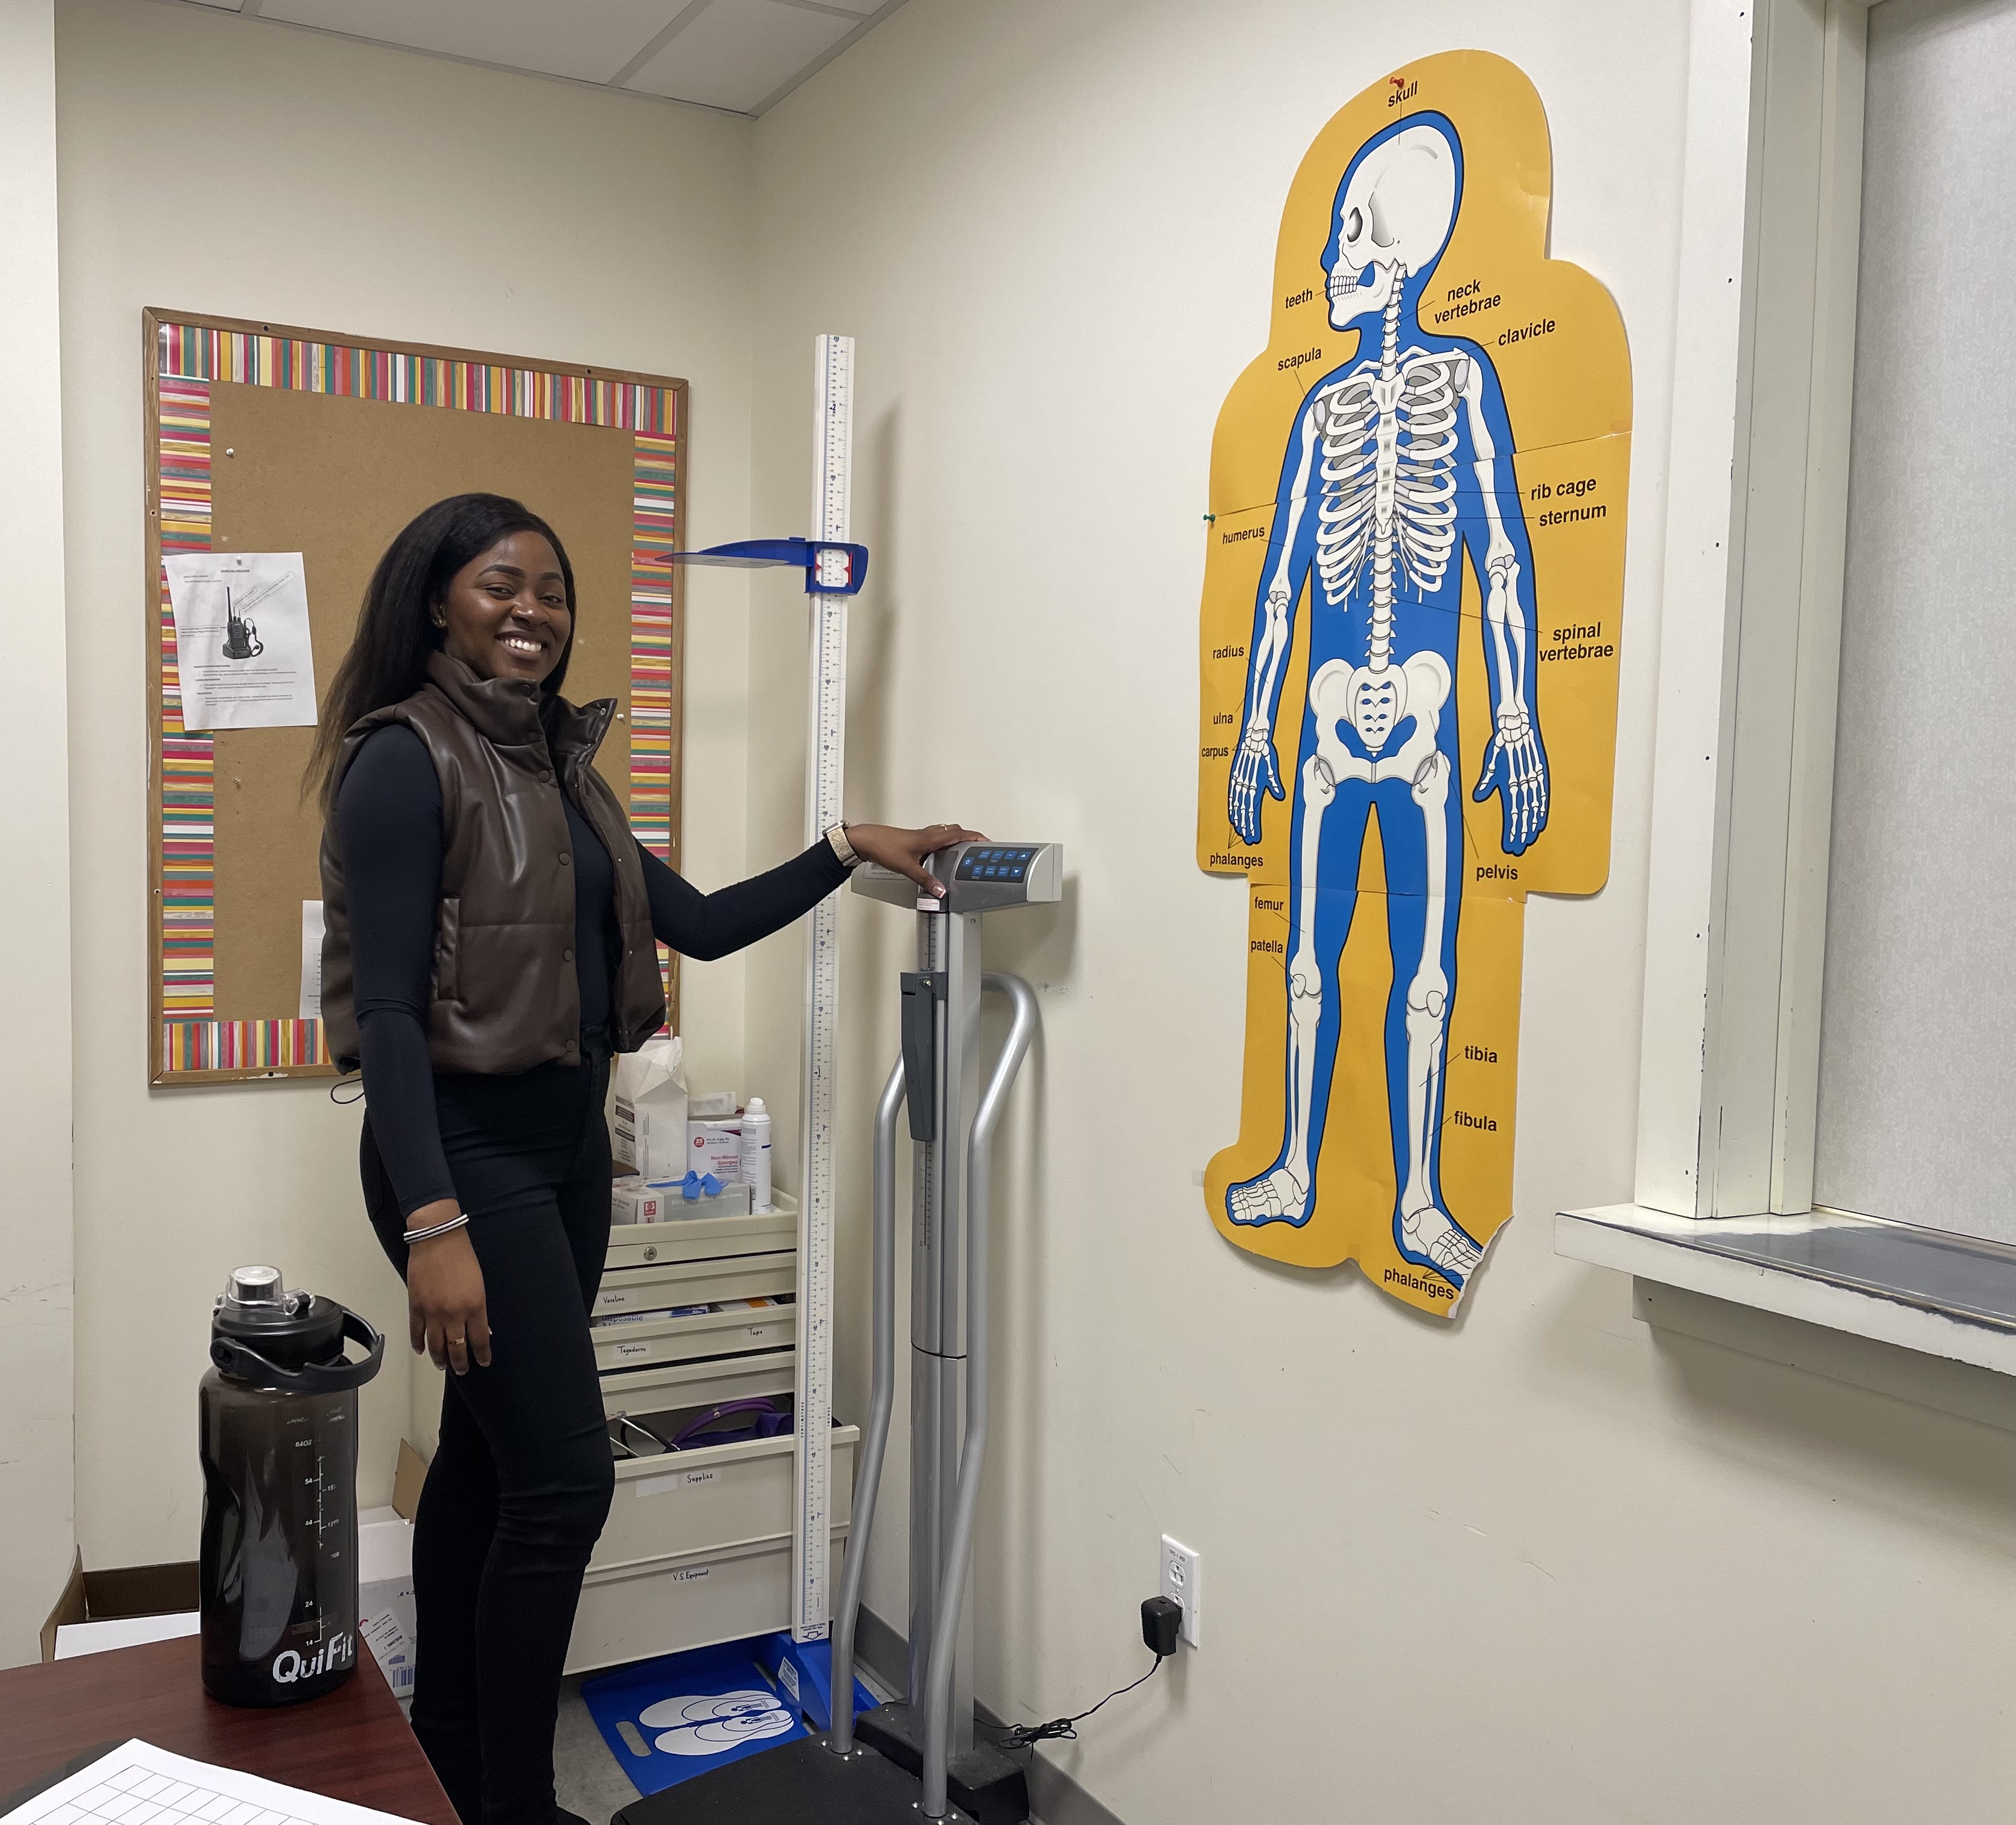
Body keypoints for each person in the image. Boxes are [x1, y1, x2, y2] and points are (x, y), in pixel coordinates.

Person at [310, 493, 975, 1825]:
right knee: (566, 1480)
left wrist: (847, 848)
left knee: (492, 1463)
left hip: (562, 1148)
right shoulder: (404, 760)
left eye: (551, 592)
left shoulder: (564, 768)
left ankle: (447, 1761)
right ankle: (508, 1802)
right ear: (439, 600)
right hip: (459, 1153)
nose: (531, 612)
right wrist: (434, 1223)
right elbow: (383, 1011)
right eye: (501, 585)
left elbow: (706, 926)